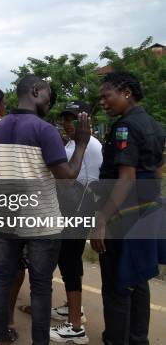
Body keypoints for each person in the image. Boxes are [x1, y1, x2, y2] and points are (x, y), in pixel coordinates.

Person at [0, 75, 91, 345]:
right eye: (48, 95)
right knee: (41, 287)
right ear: (36, 91)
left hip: (8, 219)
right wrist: (81, 143)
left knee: (3, 279)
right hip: (42, 224)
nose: (50, 101)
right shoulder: (46, 131)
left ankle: (1, 336)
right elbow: (67, 176)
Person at [91, 72, 165, 345]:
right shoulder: (154, 125)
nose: (103, 102)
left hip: (123, 214)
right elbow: (157, 172)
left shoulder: (125, 127)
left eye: (106, 95)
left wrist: (101, 221)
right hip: (146, 211)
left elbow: (126, 177)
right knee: (139, 276)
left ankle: (116, 339)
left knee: (116, 283)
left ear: (125, 93)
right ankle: (138, 339)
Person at [48, 101, 102, 343]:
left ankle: (75, 327)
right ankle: (74, 309)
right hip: (71, 209)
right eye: (66, 118)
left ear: (87, 120)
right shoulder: (74, 143)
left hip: (78, 211)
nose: (67, 123)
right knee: (69, 260)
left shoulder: (88, 145)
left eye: (73, 118)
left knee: (68, 261)